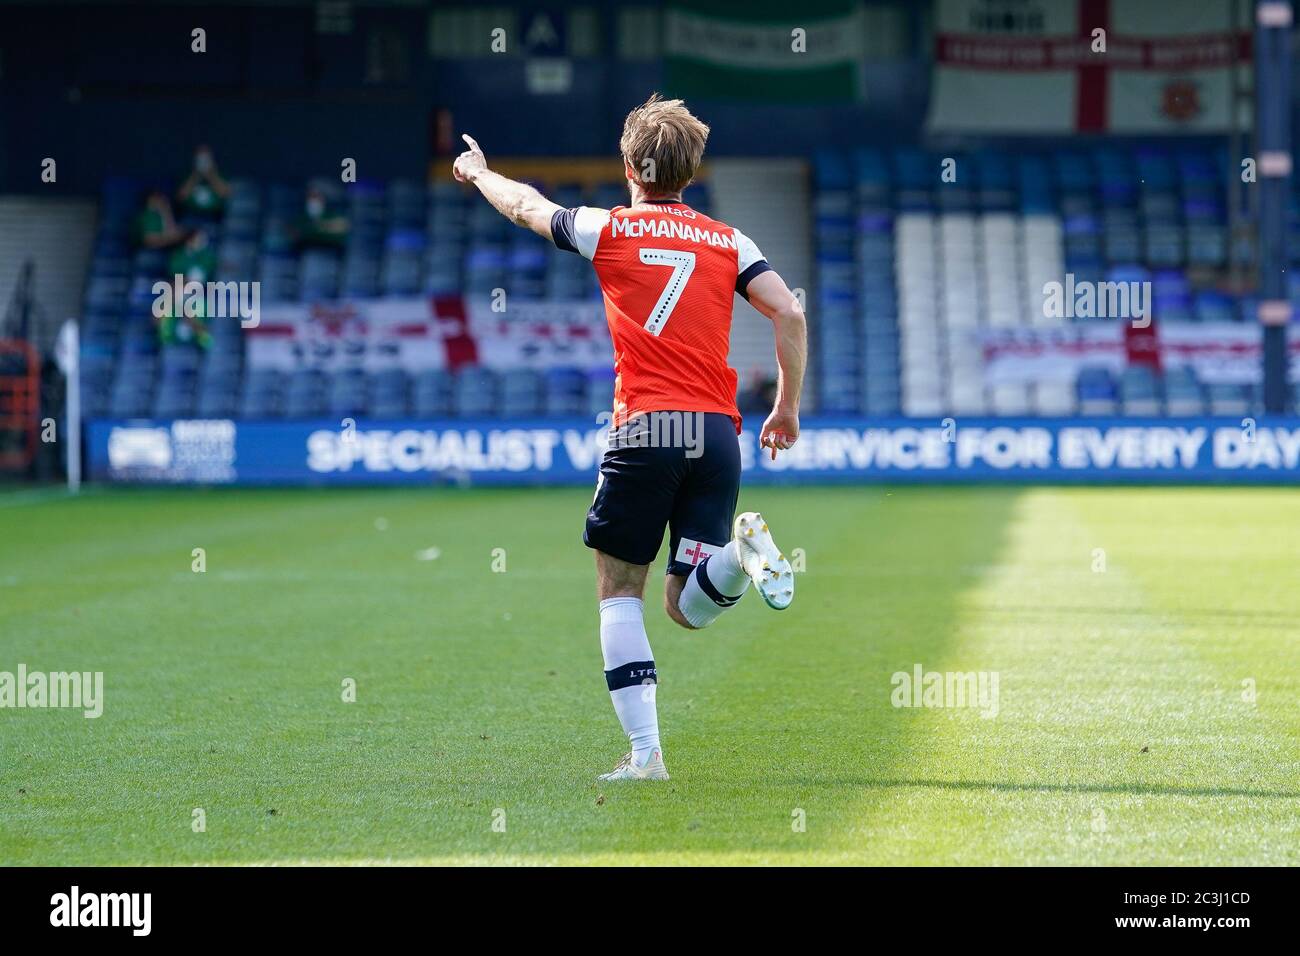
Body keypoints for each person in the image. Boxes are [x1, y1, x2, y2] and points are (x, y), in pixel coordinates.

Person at [453, 94, 808, 782]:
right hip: (714, 434)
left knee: (622, 593)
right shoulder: (731, 242)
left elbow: (526, 207)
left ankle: (646, 755)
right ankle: (740, 553)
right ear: (691, 171)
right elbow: (789, 310)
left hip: (646, 427)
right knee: (686, 605)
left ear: (628, 165)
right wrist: (787, 408)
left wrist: (477, 171)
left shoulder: (606, 227)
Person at [176, 145, 230, 220]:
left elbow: (225, 194)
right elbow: (181, 196)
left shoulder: (220, 176)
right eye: (200, 159)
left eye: (206, 159)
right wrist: (196, 176)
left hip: (214, 216)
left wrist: (211, 175)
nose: (203, 162)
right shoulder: (186, 176)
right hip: (191, 215)